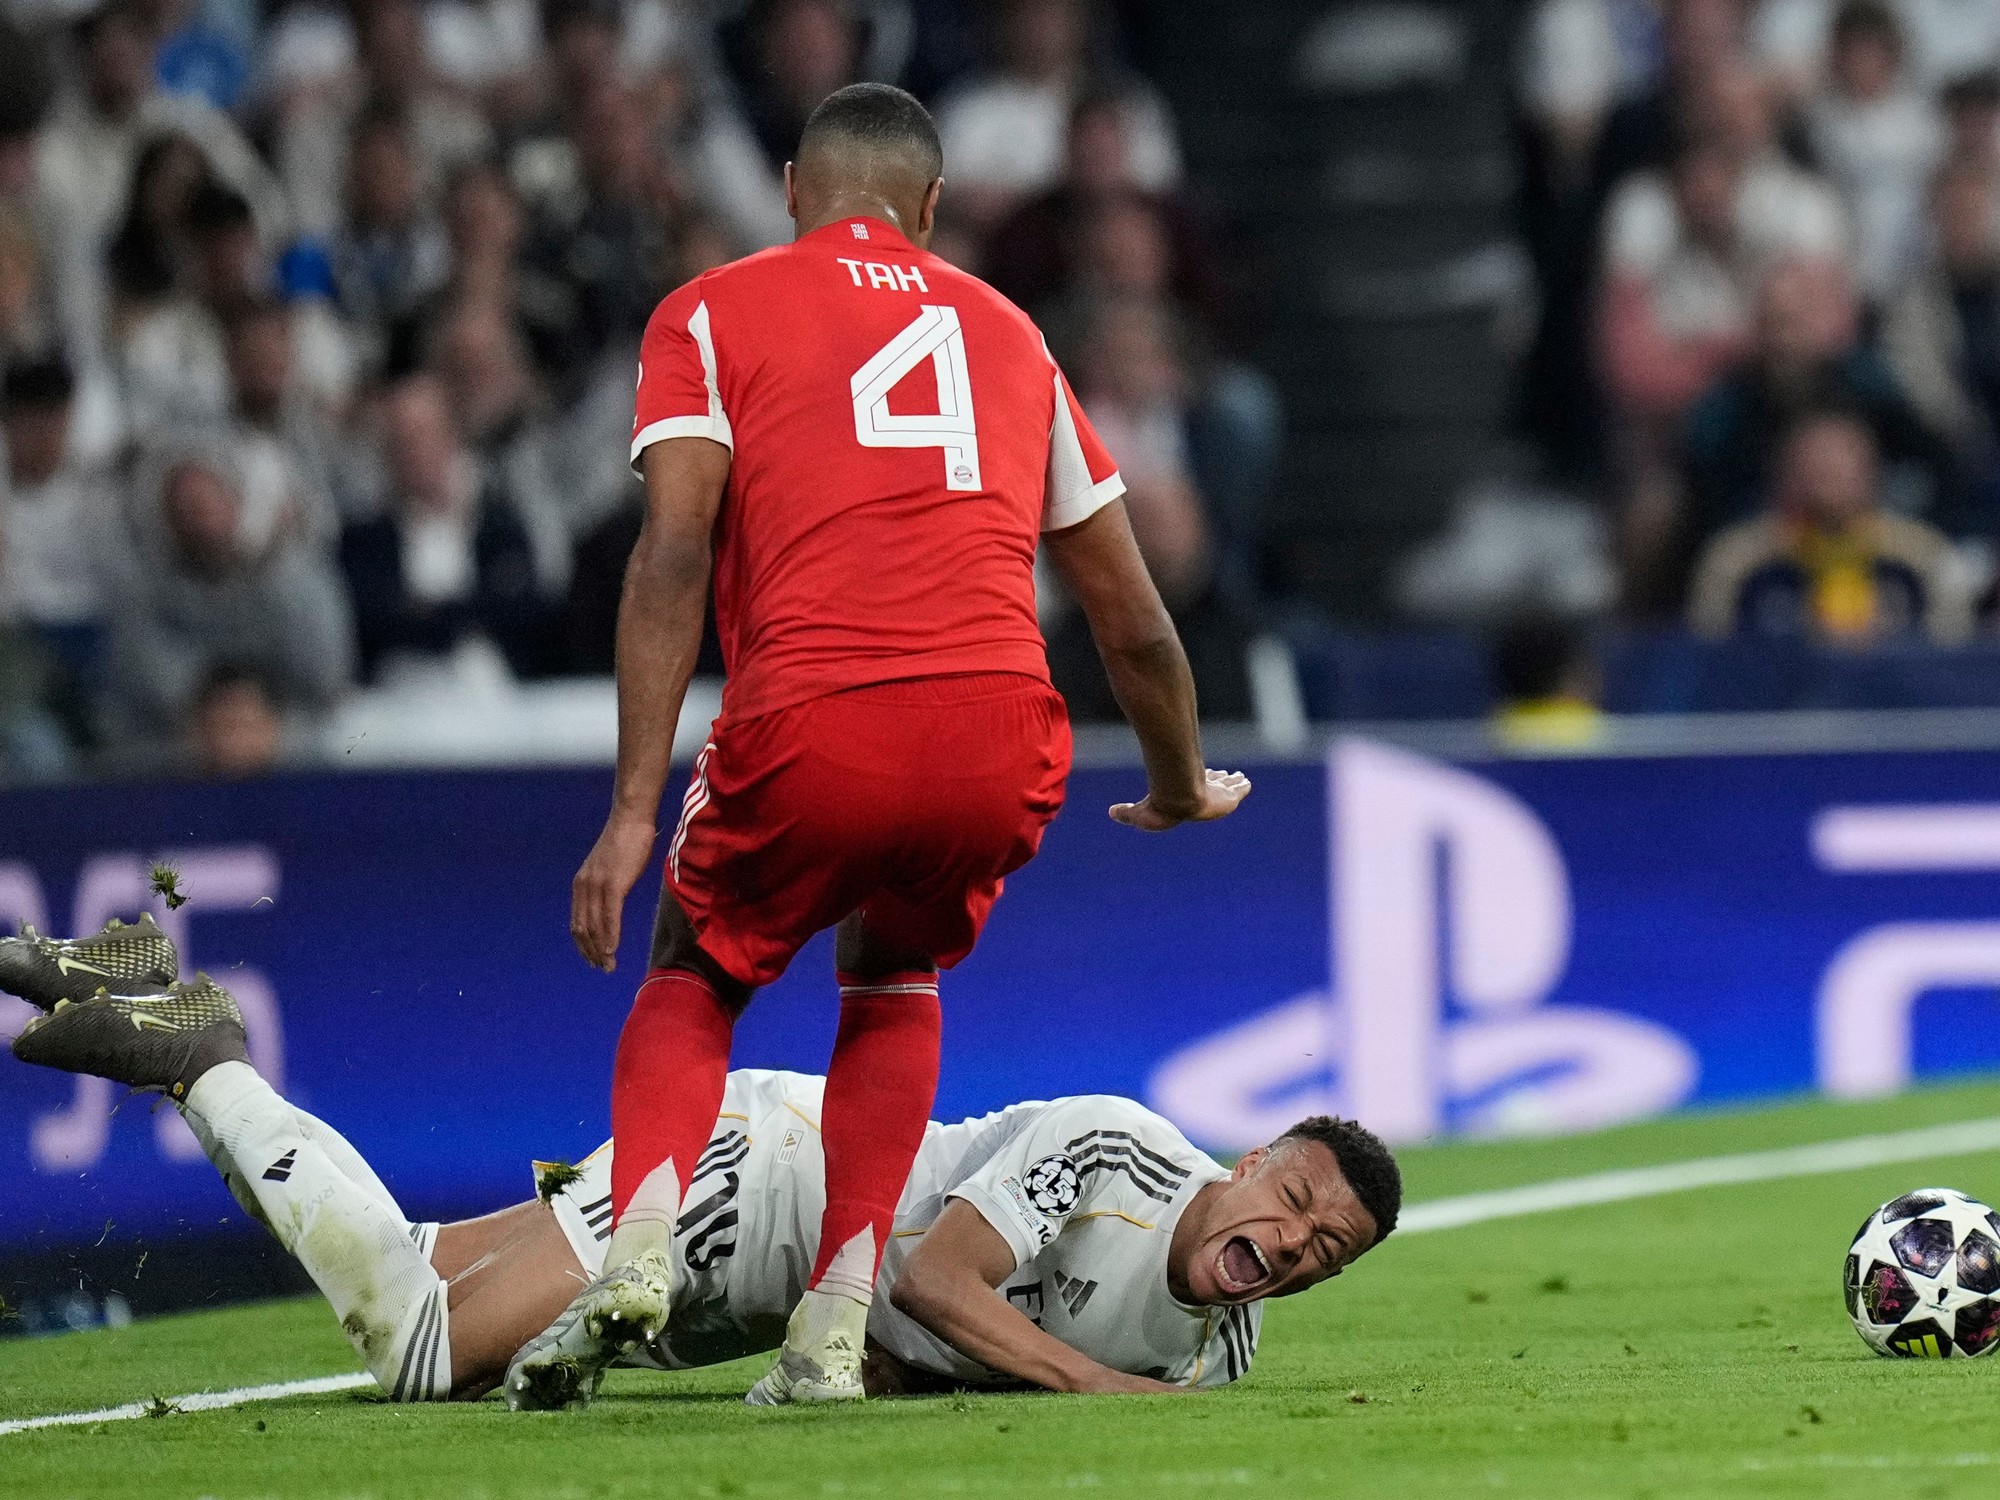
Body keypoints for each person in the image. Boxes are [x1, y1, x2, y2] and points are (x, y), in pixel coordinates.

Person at [549, 82, 1248, 1412]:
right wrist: (1175, 784)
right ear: (931, 210)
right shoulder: (1014, 335)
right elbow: (1136, 622)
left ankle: (641, 1241)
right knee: (897, 967)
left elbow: (675, 550)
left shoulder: (709, 310)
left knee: (695, 962)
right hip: (998, 732)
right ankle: (838, 1315)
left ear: (793, 194)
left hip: (815, 714)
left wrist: (635, 805)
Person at [1, 921, 1398, 1402]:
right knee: (423, 1352)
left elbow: (932, 1354)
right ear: (1254, 1156)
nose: (1287, 1246)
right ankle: (199, 1048)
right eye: (1292, 1202)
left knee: (422, 1267)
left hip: (761, 1305)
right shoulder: (1126, 1150)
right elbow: (934, 1272)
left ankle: (134, 981)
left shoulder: (1222, 1353)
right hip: (766, 1176)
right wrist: (1097, 1393)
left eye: (1319, 1254)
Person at [1687, 407, 1970, 643]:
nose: (1824, 470)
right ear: (1782, 474)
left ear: (1872, 473)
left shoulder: (1921, 552)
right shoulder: (1736, 557)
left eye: (1839, 460)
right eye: (1812, 459)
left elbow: (1954, 650)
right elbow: (1708, 654)